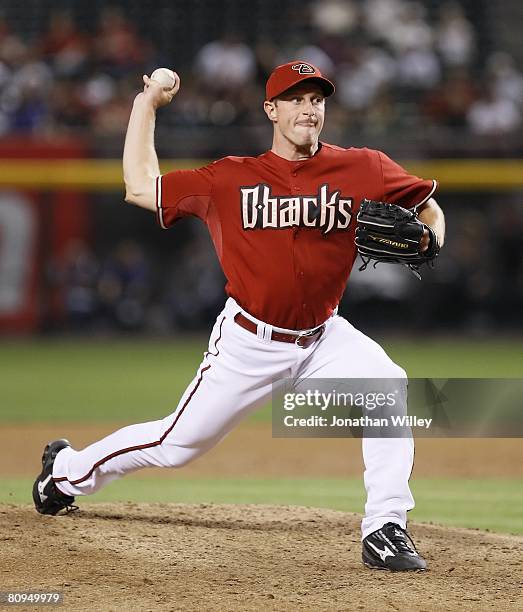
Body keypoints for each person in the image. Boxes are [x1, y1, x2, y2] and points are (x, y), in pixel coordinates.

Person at [33, 61, 445, 572]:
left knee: (387, 383)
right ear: (271, 110)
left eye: (316, 99)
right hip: (250, 341)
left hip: (323, 335)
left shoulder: (364, 167)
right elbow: (141, 186)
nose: (308, 109)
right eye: (295, 99)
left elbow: (428, 207)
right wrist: (146, 105)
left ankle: (385, 529)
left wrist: (434, 233)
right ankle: (65, 471)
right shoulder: (230, 178)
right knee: (175, 444)